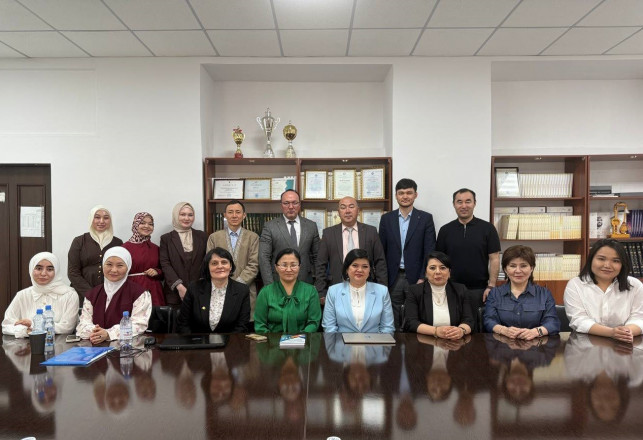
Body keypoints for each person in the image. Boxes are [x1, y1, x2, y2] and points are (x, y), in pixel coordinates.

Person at [436, 188, 500, 329]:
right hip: (450, 289)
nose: (464, 206)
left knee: (477, 329)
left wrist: (491, 285)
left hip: (479, 290)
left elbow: (494, 258)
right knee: (452, 328)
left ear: (474, 203)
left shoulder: (488, 228)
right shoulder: (445, 230)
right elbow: (439, 261)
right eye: (459, 202)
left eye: (468, 201)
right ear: (454, 204)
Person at [379, 178, 436, 330]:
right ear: (396, 196)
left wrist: (423, 276)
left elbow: (430, 251)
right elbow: (381, 252)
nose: (405, 196)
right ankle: (396, 343)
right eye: (401, 193)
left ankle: (414, 344)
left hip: (417, 278)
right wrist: (382, 279)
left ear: (415, 195)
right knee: (393, 315)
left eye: (409, 193)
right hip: (393, 277)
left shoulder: (425, 218)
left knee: (416, 314)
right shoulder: (386, 219)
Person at [564, 238, 643, 343]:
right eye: (601, 259)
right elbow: (579, 320)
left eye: (616, 261)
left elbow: (639, 318)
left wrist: (625, 332)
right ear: (591, 259)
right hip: (586, 345)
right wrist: (611, 332)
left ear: (622, 264)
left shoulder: (635, 285)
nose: (607, 265)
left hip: (625, 343)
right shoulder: (576, 284)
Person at [315, 196, 387, 301]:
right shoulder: (328, 233)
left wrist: (382, 289)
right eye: (343, 207)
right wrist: (321, 291)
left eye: (351, 207)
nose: (347, 211)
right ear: (338, 212)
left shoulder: (371, 231)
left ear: (358, 210)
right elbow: (321, 264)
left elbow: (380, 262)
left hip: (366, 287)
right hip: (337, 286)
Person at [76, 246, 152, 344]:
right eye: (109, 264)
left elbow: (139, 324)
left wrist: (108, 334)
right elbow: (83, 325)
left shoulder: (140, 293)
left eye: (120, 265)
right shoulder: (92, 294)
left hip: (127, 348)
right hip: (95, 346)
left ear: (128, 267)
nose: (114, 270)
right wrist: (97, 332)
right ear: (103, 265)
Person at [484, 245, 560, 338]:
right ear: (505, 269)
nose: (518, 271)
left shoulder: (544, 294)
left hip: (536, 344)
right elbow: (488, 321)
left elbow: (553, 323)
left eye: (523, 266)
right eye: (513, 266)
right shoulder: (495, 293)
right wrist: (504, 330)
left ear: (531, 268)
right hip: (503, 344)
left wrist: (535, 332)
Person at [2, 252, 79, 337]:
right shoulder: (22, 295)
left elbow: (67, 328)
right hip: (26, 344)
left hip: (59, 344)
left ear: (56, 271)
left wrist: (33, 325)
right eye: (38, 268)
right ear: (31, 269)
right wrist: (26, 331)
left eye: (49, 269)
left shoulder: (69, 295)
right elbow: (6, 326)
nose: (43, 273)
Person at [176, 247, 250, 334]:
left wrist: (229, 342)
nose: (220, 266)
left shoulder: (242, 290)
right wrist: (194, 341)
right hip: (198, 340)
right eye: (214, 263)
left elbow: (242, 326)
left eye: (224, 262)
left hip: (230, 341)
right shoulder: (194, 288)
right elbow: (183, 324)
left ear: (230, 266)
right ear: (208, 267)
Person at [404, 251, 474, 338]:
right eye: (432, 268)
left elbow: (469, 320)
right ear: (426, 273)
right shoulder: (415, 291)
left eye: (443, 268)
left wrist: (461, 330)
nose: (438, 272)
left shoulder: (460, 290)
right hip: (425, 340)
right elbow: (411, 322)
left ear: (449, 272)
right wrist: (436, 331)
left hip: (454, 340)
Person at [206, 200, 259, 316]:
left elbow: (254, 264)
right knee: (221, 320)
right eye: (230, 212)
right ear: (225, 215)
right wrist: (226, 285)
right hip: (219, 289)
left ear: (244, 215)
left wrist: (236, 285)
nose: (234, 215)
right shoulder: (214, 237)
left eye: (238, 212)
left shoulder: (253, 237)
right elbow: (211, 264)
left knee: (245, 322)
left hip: (246, 289)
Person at [322, 249, 394, 333]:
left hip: (374, 340)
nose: (360, 270)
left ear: (370, 270)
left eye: (365, 266)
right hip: (342, 340)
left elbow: (387, 327)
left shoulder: (382, 291)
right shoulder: (333, 291)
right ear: (347, 269)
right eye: (355, 265)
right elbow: (329, 327)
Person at [258, 189, 320, 287]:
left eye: (294, 203)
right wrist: (270, 286)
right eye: (286, 203)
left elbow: (317, 257)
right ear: (281, 205)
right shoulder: (270, 226)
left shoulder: (311, 226)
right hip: (278, 283)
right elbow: (264, 258)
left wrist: (318, 283)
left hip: (306, 283)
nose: (291, 207)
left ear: (299, 205)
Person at [254, 248, 321, 334]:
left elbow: (313, 322)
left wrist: (298, 339)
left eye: (293, 265)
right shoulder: (265, 292)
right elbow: (260, 325)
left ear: (299, 267)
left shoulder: (311, 291)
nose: (289, 269)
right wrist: (274, 340)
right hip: (273, 341)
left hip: (303, 340)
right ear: (276, 267)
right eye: (284, 265)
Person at [68, 205, 123, 300]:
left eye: (106, 218)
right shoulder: (79, 241)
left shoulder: (117, 242)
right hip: (82, 294)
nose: (101, 221)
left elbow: (121, 269)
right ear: (91, 219)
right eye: (97, 217)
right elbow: (73, 272)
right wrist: (90, 293)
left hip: (110, 294)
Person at [159, 202, 208, 307]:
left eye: (190, 215)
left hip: (199, 292)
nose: (187, 218)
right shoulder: (166, 239)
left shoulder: (202, 236)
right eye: (182, 214)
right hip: (174, 294)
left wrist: (199, 286)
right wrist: (179, 287)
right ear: (176, 215)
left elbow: (206, 262)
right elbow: (165, 264)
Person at [122, 212, 165, 306]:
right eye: (142, 223)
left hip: (154, 291)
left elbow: (164, 271)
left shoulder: (156, 248)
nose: (147, 226)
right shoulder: (124, 248)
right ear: (135, 224)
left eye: (150, 224)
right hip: (133, 290)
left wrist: (157, 271)